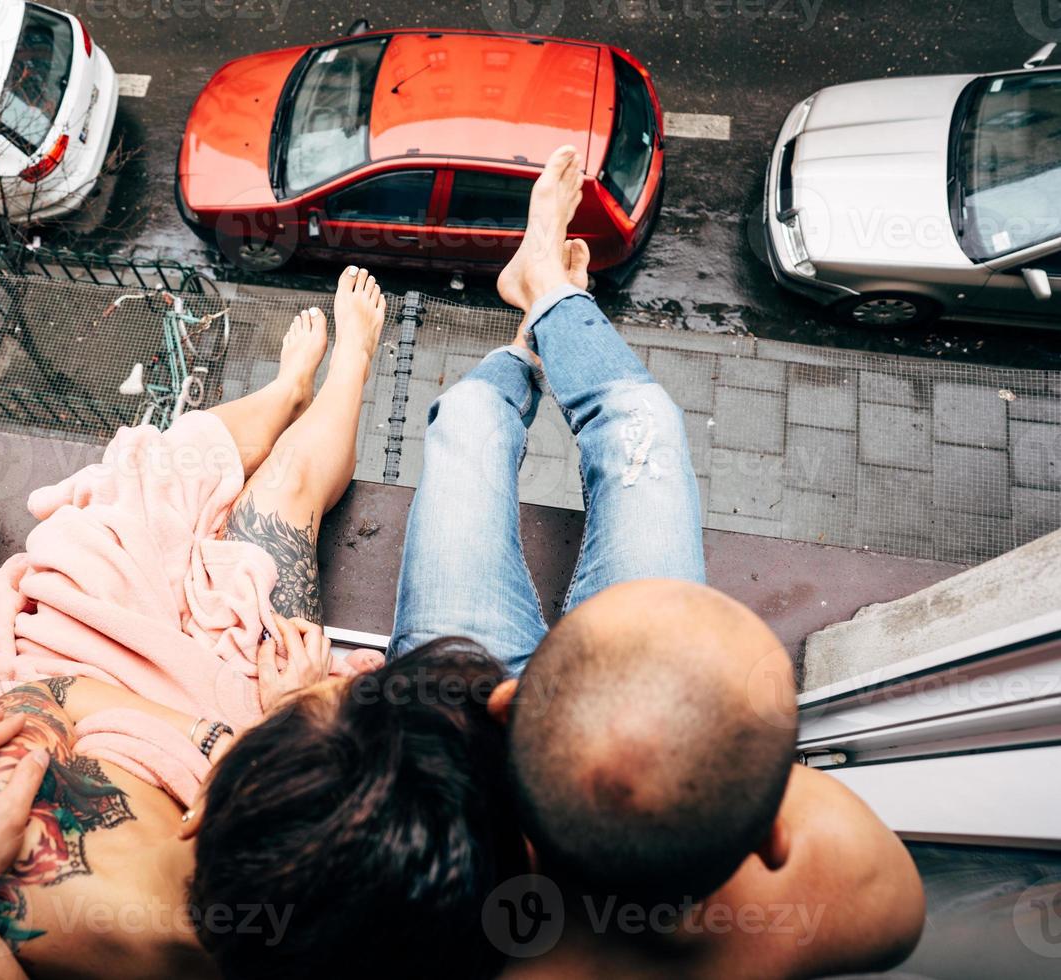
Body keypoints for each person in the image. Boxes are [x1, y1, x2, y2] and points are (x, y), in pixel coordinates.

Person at [185, 145, 925, 979]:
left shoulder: (415, 918)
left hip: (462, 749)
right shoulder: (839, 901)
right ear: (773, 835)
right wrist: (712, 794)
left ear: (507, 703)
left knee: (465, 425)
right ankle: (546, 299)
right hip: (572, 749)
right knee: (643, 428)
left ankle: (531, 333)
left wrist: (307, 739)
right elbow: (886, 895)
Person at [0, 267, 526, 980]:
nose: (354, 667)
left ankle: (306, 384)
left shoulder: (40, 884)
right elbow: (63, 701)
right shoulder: (375, 937)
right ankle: (317, 378)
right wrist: (264, 721)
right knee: (277, 500)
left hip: (153, 722)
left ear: (206, 809)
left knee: (172, 480)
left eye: (345, 693)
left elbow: (46, 697)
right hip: (185, 730)